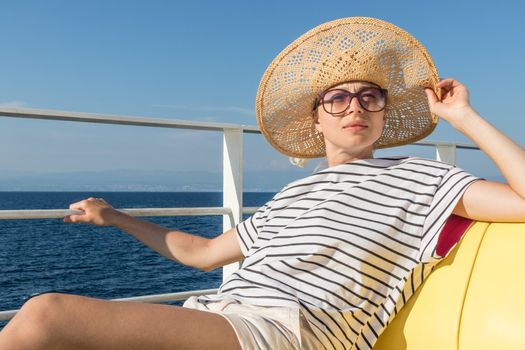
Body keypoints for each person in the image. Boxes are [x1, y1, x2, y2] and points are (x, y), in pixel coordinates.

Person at [1, 16, 524, 350]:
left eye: (370, 96)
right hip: (220, 318)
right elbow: (201, 255)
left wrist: (464, 117)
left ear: (385, 112)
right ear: (316, 119)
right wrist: (114, 217)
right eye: (337, 99)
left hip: (288, 334)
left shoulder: (421, 179)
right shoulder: (292, 195)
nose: (356, 107)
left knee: (47, 315)